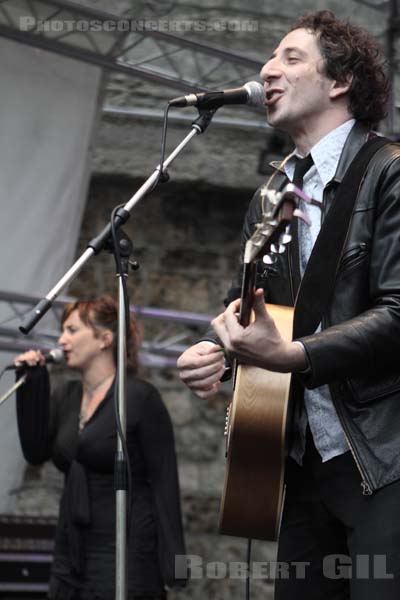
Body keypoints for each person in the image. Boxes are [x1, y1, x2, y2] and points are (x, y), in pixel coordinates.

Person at [177, 9, 400, 600]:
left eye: (290, 58)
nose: (267, 70)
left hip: (384, 455)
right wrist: (216, 349)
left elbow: (399, 313)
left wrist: (296, 353)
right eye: (268, 59)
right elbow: (250, 305)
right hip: (299, 456)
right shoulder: (273, 193)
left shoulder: (389, 176)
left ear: (340, 81)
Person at [15, 295, 186, 600]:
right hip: (73, 545)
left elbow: (164, 481)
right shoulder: (67, 395)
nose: (61, 339)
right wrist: (31, 385)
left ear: (104, 339)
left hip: (125, 546)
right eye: (63, 331)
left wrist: (174, 562)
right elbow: (35, 451)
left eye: (71, 330)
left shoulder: (138, 398)